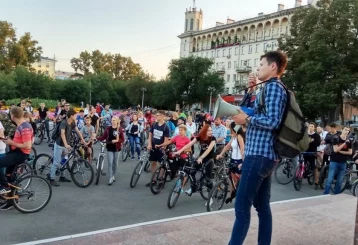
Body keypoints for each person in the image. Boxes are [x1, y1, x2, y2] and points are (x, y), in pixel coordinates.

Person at [228, 51, 288, 245]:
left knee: (241, 207)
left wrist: (247, 119)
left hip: (259, 155)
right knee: (262, 206)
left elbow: (272, 121)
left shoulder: (274, 88)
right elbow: (245, 110)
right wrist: (251, 90)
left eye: (261, 64)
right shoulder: (266, 88)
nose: (257, 68)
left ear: (272, 67)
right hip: (264, 154)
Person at [0, 107, 33, 210]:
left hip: (21, 154)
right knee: (9, 175)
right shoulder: (20, 126)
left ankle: (5, 186)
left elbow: (27, 146)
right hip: (16, 152)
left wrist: (11, 143)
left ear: (13, 116)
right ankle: (12, 201)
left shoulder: (25, 127)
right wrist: (9, 140)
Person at [174, 124, 216, 196]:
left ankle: (210, 197)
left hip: (210, 158)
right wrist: (179, 151)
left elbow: (209, 149)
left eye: (211, 130)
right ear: (204, 131)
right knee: (192, 172)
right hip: (201, 157)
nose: (210, 132)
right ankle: (193, 188)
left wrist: (201, 158)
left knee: (209, 178)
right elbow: (189, 144)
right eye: (208, 130)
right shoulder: (200, 137)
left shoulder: (213, 138)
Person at [50, 110, 86, 187]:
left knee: (65, 160)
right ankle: (51, 179)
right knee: (56, 162)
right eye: (75, 115)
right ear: (71, 116)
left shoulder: (72, 122)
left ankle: (62, 177)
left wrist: (83, 141)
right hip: (60, 145)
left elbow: (78, 131)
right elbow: (62, 134)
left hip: (66, 145)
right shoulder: (64, 123)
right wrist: (66, 144)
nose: (76, 116)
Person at [217, 125, 245, 204]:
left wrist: (243, 162)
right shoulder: (234, 137)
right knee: (232, 180)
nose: (230, 131)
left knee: (240, 181)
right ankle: (231, 196)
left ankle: (241, 196)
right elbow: (227, 146)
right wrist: (221, 154)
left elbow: (242, 149)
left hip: (239, 160)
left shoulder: (239, 136)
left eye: (231, 129)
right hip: (233, 160)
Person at [323, 126, 352, 195]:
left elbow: (350, 152)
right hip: (334, 161)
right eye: (345, 130)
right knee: (330, 179)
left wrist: (341, 152)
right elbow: (335, 150)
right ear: (342, 130)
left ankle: (337, 195)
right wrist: (345, 143)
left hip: (343, 162)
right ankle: (325, 194)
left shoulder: (349, 141)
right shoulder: (336, 138)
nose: (346, 132)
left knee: (340, 181)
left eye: (348, 130)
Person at [97, 116, 124, 185]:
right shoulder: (108, 129)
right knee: (110, 163)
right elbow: (103, 137)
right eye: (112, 120)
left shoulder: (119, 129)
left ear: (117, 121)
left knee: (115, 163)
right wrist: (97, 138)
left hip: (117, 148)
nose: (112, 121)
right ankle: (110, 177)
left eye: (114, 120)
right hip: (109, 147)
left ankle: (113, 175)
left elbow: (122, 139)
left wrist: (117, 140)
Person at [146, 110, 170, 187]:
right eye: (156, 115)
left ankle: (160, 180)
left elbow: (166, 140)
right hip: (153, 146)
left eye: (158, 115)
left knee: (161, 165)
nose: (156, 116)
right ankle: (153, 180)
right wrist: (149, 143)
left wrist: (163, 147)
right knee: (152, 162)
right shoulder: (154, 124)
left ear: (162, 116)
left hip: (160, 148)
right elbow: (150, 134)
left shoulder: (166, 127)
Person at [306, 122, 321, 190]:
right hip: (305, 151)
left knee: (314, 168)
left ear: (314, 128)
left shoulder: (316, 135)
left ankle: (316, 182)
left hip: (312, 152)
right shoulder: (305, 134)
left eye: (312, 126)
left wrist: (312, 141)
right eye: (310, 126)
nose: (310, 127)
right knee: (302, 163)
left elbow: (318, 144)